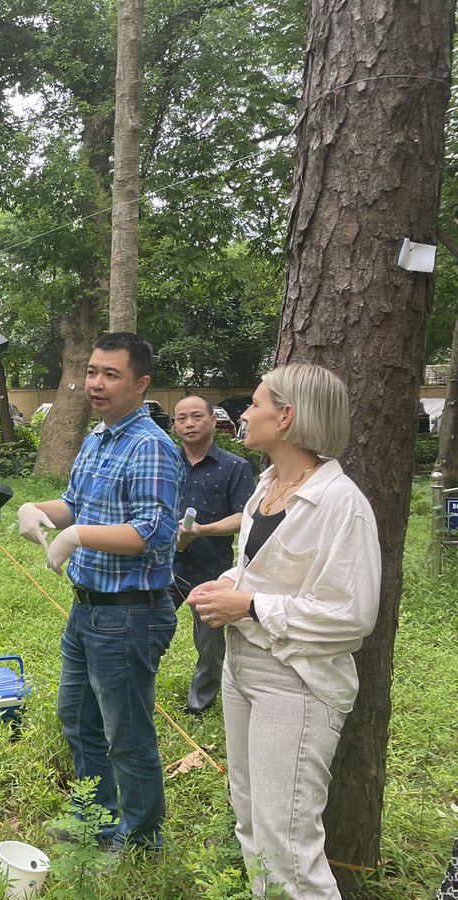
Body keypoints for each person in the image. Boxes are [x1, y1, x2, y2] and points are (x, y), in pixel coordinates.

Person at [187, 363, 380, 898]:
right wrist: (224, 585)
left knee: (287, 845)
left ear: (287, 417)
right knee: (250, 822)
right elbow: (258, 570)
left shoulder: (343, 506)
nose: (243, 414)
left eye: (254, 404)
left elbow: (351, 616)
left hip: (295, 681)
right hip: (241, 667)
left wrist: (248, 605)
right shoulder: (266, 487)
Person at [17, 332, 183, 849]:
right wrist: (40, 510)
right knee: (78, 716)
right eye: (91, 372)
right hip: (86, 609)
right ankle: (97, 816)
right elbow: (76, 503)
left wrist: (78, 535)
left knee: (127, 735)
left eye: (111, 374)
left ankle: (141, 839)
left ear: (141, 383)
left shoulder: (151, 446)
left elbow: (152, 533)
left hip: (130, 613)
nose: (96, 383)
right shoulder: (98, 437)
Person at [171, 394, 254, 715]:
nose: (189, 424)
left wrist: (201, 531)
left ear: (212, 421)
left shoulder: (235, 467)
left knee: (209, 647)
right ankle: (140, 697)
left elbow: (244, 517)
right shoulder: (165, 464)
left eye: (196, 416)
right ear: (174, 425)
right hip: (164, 567)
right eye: (181, 418)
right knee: (147, 634)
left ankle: (199, 707)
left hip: (211, 571)